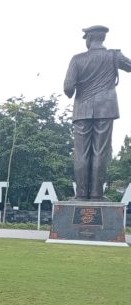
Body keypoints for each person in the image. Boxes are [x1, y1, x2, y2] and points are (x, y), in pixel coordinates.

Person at [64, 25, 131, 200]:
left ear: (89, 39)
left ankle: (80, 195)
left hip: (82, 110)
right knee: (101, 151)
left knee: (81, 152)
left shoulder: (77, 59)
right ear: (102, 38)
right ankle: (96, 194)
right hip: (106, 108)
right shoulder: (114, 56)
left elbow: (68, 89)